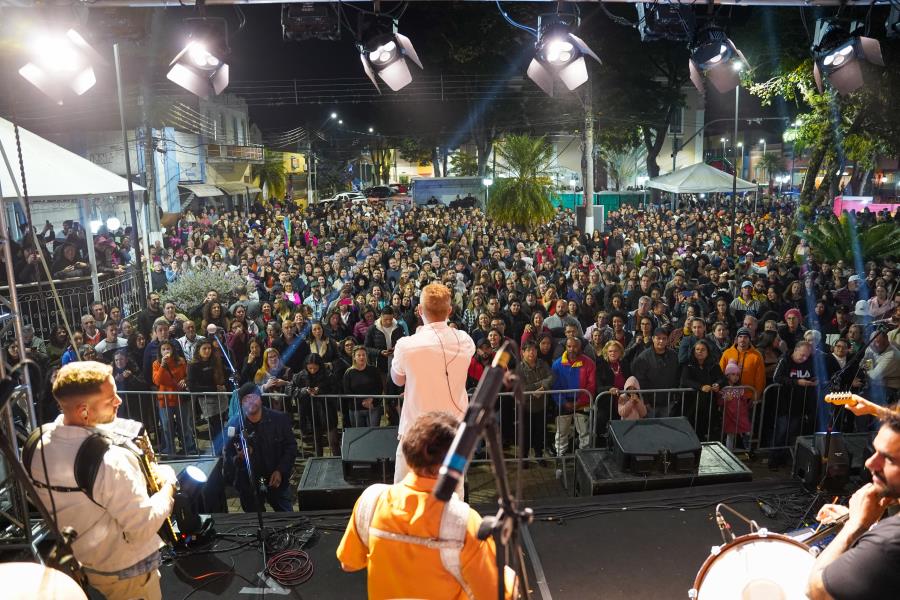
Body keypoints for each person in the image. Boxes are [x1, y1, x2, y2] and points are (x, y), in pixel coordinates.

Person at [25, 361, 176, 600]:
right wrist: (168, 485)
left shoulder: (35, 444)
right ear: (83, 410)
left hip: (84, 560)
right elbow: (142, 525)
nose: (119, 401)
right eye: (110, 399)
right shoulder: (110, 461)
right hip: (127, 569)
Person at [336, 411, 515, 600]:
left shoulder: (371, 501)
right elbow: (495, 594)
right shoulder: (465, 523)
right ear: (456, 463)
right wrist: (510, 578)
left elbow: (349, 564)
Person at [807, 402, 900, 600]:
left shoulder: (890, 542)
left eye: (889, 459)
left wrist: (855, 525)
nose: (870, 463)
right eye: (875, 451)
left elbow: (817, 590)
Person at [391, 283, 475, 488]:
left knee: (405, 497)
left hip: (415, 435)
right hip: (453, 436)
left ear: (419, 311)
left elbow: (397, 380)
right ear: (450, 311)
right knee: (452, 501)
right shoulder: (465, 341)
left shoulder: (406, 345)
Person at [223, 382, 297, 512]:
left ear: (260, 398)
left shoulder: (279, 419)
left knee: (287, 517)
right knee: (255, 521)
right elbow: (227, 455)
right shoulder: (234, 425)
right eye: (246, 399)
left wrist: (280, 470)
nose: (251, 402)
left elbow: (291, 447)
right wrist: (238, 459)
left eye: (254, 397)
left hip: (275, 480)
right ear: (241, 403)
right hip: (250, 484)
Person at [551, 336, 596, 474]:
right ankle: (560, 460)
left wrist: (578, 403)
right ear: (566, 347)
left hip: (582, 405)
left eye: (575, 346)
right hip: (563, 405)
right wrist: (564, 403)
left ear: (580, 347)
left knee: (584, 434)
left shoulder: (589, 363)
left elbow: (591, 386)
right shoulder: (557, 364)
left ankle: (585, 463)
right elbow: (554, 386)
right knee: (561, 434)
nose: (572, 349)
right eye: (569, 346)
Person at [517, 340, 554, 465]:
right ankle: (524, 457)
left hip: (541, 406)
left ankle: (539, 455)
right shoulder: (519, 368)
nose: (531, 353)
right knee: (525, 433)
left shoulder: (542, 364)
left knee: (540, 432)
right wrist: (539, 385)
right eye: (528, 350)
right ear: (523, 353)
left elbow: (551, 377)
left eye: (534, 350)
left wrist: (542, 388)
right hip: (525, 407)